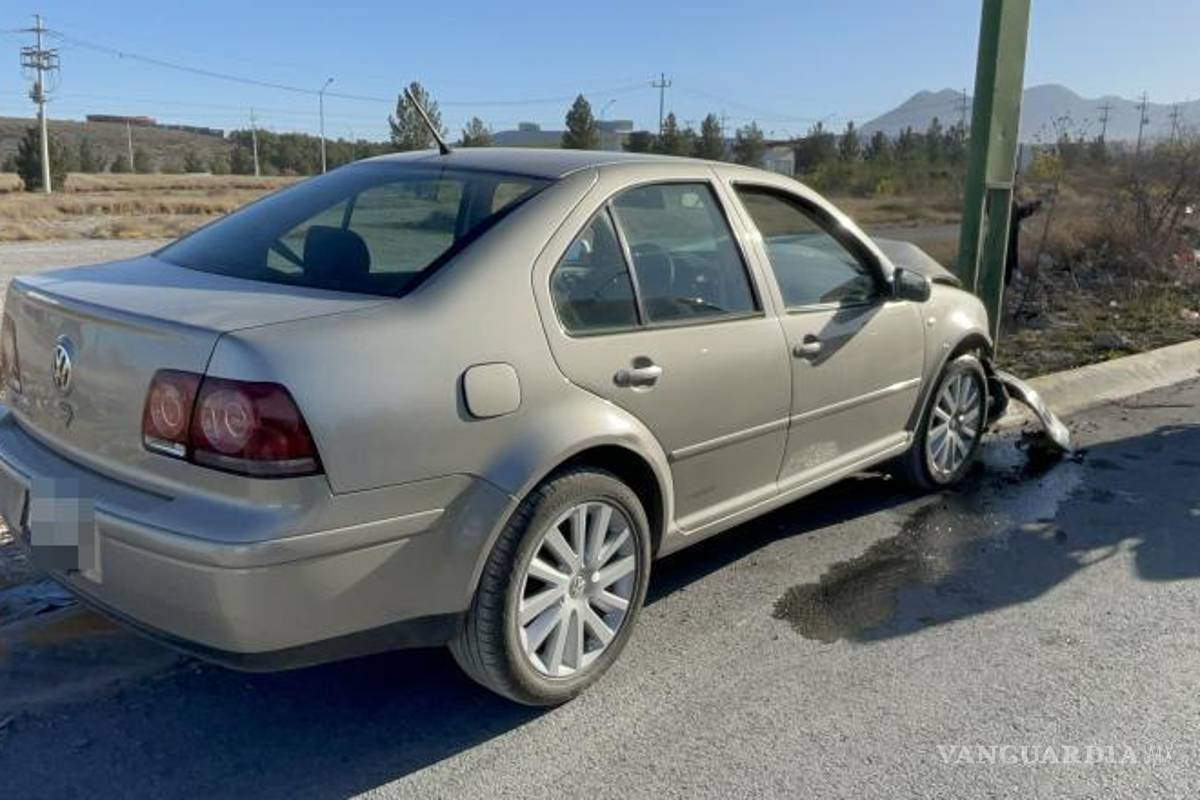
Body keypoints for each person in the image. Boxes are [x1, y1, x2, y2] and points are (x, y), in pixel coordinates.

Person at [1005, 197, 1043, 286]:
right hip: (1002, 239)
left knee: (1010, 260)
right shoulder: (998, 198)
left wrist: (1030, 208)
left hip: (1011, 237)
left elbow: (1018, 214)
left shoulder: (1011, 202)